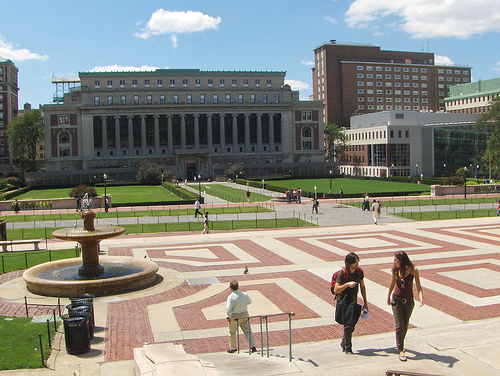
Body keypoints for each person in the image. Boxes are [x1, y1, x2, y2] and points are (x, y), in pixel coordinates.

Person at [387, 251, 424, 362]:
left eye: (396, 260)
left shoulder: (413, 270)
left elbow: (418, 285)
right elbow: (392, 283)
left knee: (405, 325)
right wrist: (388, 296)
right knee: (399, 325)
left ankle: (400, 343)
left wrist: (421, 298)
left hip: (408, 301)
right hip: (397, 300)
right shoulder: (395, 270)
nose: (394, 262)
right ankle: (401, 349)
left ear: (402, 261)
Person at [334, 252, 369, 354]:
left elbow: (362, 287)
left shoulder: (359, 272)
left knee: (352, 324)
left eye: (358, 262)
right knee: (348, 325)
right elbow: (336, 289)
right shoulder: (342, 273)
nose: (357, 265)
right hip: (343, 301)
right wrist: (347, 285)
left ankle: (344, 342)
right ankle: (348, 347)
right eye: (355, 263)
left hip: (353, 301)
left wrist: (365, 302)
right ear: (349, 263)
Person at [226, 280, 257, 353]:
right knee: (248, 331)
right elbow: (249, 301)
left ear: (231, 288)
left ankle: (233, 348)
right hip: (244, 314)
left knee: (232, 332)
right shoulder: (244, 294)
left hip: (235, 315)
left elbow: (228, 308)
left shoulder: (231, 297)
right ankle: (253, 346)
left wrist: (228, 316)